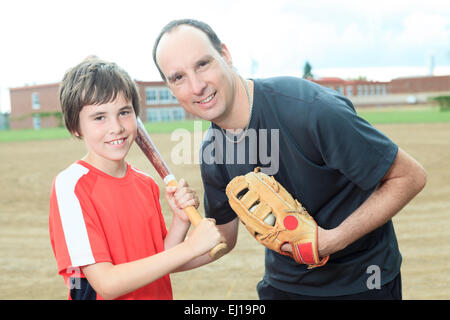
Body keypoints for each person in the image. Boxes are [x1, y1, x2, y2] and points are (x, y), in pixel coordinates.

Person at [152, 19, 427, 299]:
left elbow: (410, 177)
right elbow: (221, 241)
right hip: (284, 287)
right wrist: (178, 226)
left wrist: (332, 241)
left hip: (363, 281)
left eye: (202, 64)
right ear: (170, 88)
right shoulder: (213, 151)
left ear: (225, 55)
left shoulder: (309, 110)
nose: (196, 86)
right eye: (178, 77)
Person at [49, 58, 223, 300]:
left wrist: (180, 222)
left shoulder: (145, 183)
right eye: (99, 117)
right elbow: (106, 284)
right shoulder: (72, 186)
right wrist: (191, 248)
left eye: (124, 112)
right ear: (75, 127)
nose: (116, 127)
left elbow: (159, 259)